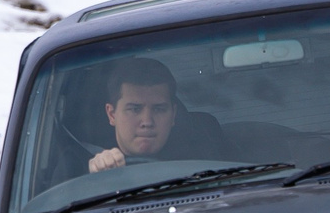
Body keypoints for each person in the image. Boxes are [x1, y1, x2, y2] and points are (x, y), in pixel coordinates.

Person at [86, 57, 226, 172]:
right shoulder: (91, 171)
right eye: (135, 109)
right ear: (112, 114)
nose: (147, 121)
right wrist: (99, 178)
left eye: (159, 109)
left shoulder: (206, 164)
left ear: (173, 115)